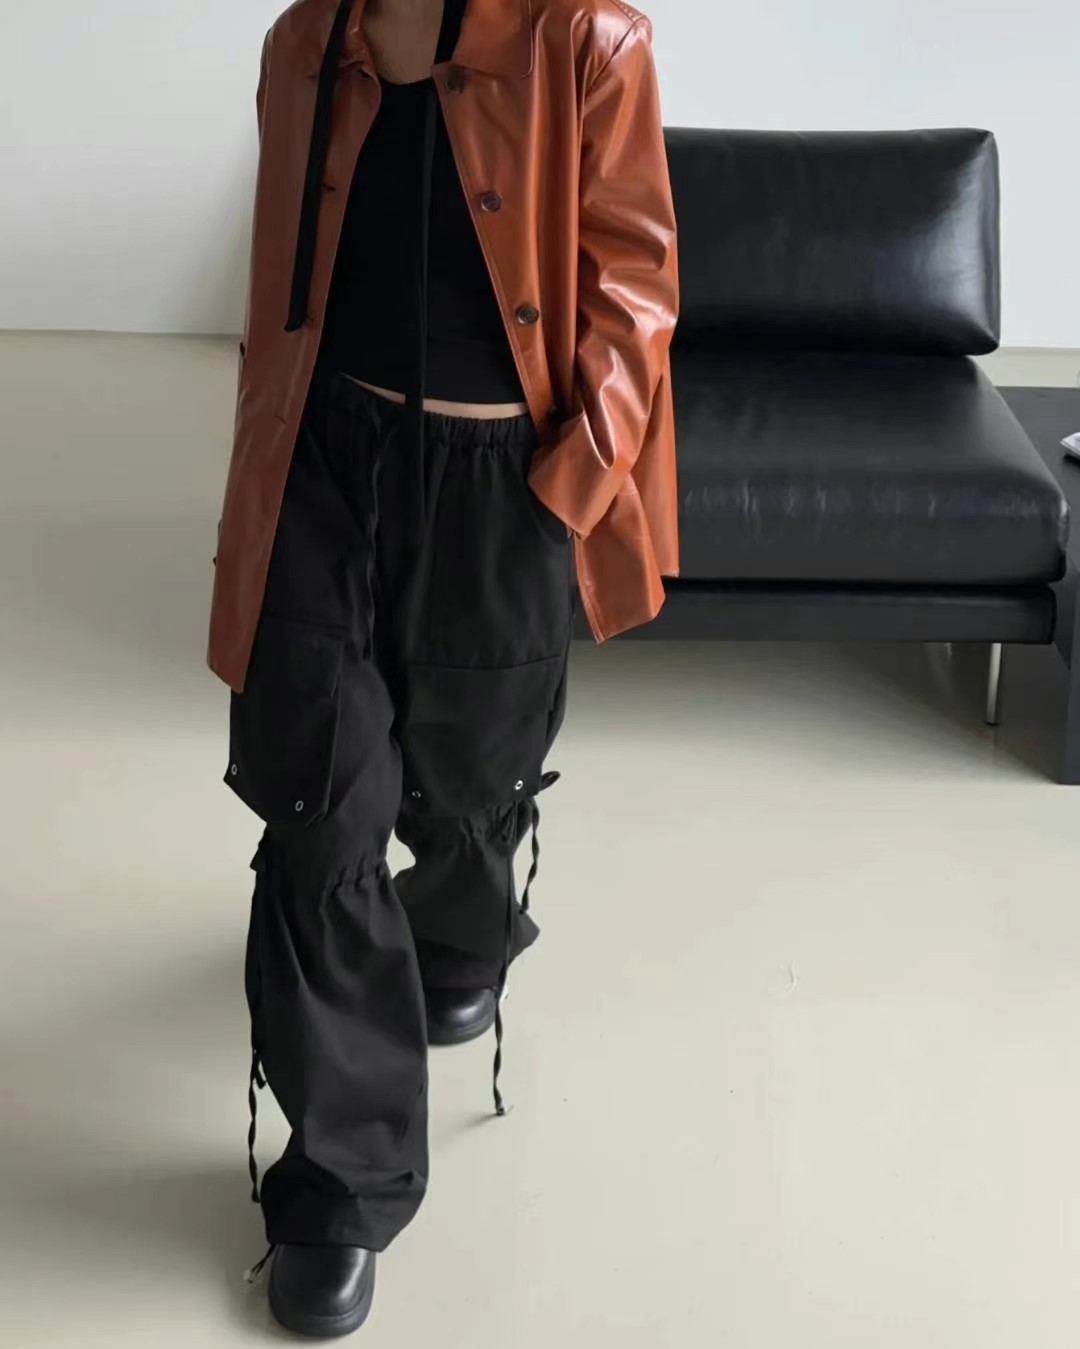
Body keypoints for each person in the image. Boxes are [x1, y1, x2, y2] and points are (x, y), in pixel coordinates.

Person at [207, 0, 679, 1335]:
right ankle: (340, 1180)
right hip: (324, 466)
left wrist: (571, 486)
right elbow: (280, 284)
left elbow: (636, 291)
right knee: (320, 801)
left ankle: (464, 924)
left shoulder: (591, 44)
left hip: (501, 480)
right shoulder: (306, 43)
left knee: (468, 770)